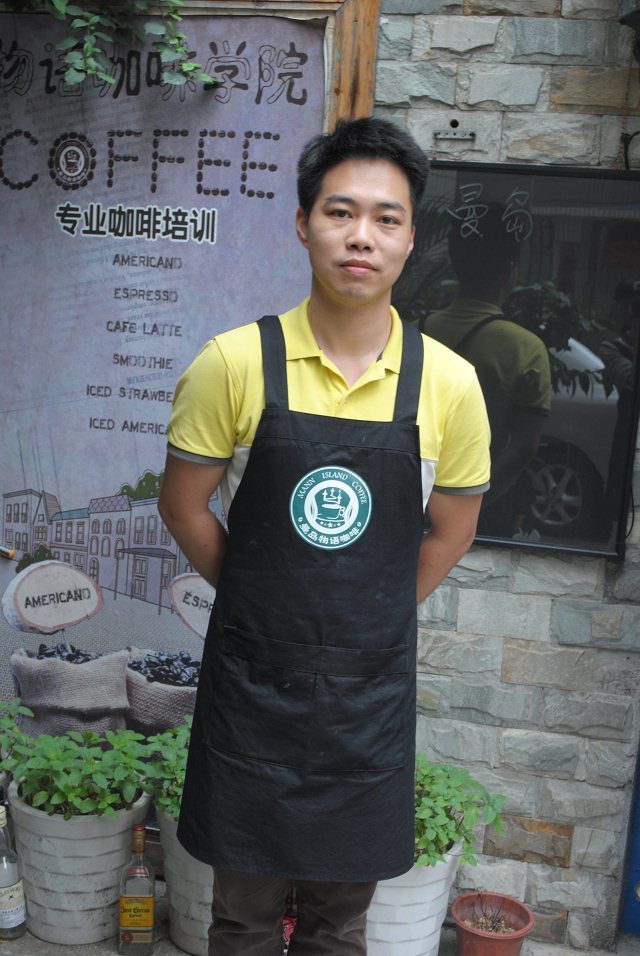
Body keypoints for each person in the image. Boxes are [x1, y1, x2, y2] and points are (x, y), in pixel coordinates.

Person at [158, 116, 490, 956]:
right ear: (304, 223)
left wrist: (371, 613)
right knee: (240, 920)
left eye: (386, 217)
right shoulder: (233, 363)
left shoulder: (450, 385)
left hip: (363, 706)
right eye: (341, 212)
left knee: (341, 926)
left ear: (410, 238)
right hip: (252, 693)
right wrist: (257, 599)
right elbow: (184, 507)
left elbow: (451, 533)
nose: (361, 236)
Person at [424, 202, 550, 538]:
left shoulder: (416, 332)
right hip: (489, 506)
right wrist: (472, 503)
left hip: (416, 495)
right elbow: (524, 446)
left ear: (455, 264)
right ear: (511, 270)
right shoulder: (526, 348)